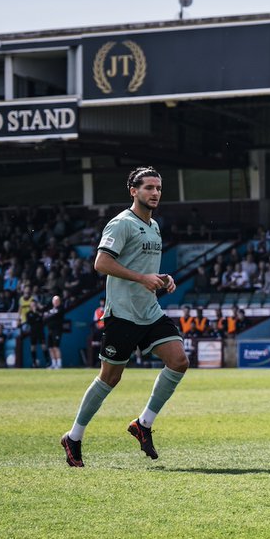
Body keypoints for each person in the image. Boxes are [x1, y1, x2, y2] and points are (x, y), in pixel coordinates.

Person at [60, 167, 190, 467]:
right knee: (110, 377)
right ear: (133, 190)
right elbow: (101, 263)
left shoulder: (154, 226)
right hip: (122, 314)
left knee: (179, 361)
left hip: (149, 310)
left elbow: (143, 268)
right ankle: (74, 437)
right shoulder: (121, 223)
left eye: (158, 187)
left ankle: (143, 424)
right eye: (148, 187)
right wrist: (141, 278)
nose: (155, 192)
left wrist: (162, 278)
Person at [44, 295, 66, 368]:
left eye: (57, 300)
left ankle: (59, 364)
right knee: (50, 347)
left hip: (57, 330)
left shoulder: (61, 308)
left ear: (59, 301)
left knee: (56, 347)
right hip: (50, 330)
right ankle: (53, 363)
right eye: (54, 300)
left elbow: (52, 316)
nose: (55, 302)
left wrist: (49, 315)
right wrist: (49, 315)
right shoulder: (51, 309)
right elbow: (45, 317)